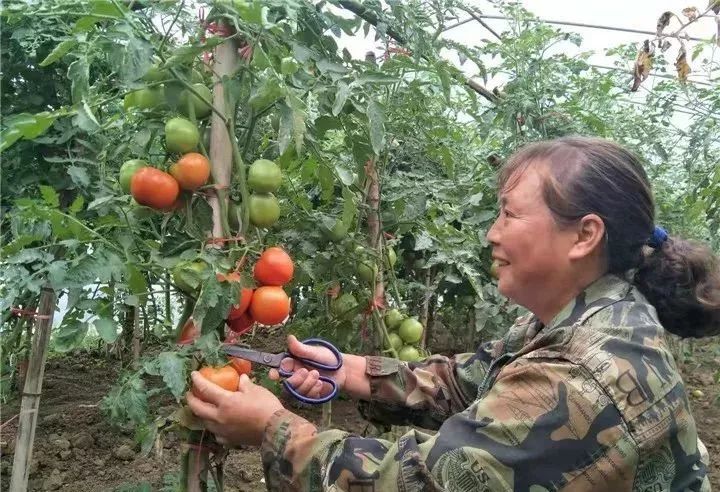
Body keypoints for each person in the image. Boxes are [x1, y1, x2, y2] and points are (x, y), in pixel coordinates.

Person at [187, 136, 719, 491]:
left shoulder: (583, 377)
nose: (492, 231)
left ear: (585, 234)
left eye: (509, 214)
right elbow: (468, 381)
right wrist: (351, 372)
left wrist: (271, 428)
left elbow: (421, 481)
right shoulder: (583, 316)